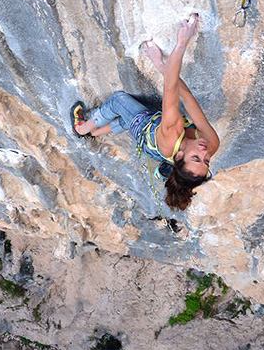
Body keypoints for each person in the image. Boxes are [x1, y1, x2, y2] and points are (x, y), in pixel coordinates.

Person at [71, 14, 220, 211]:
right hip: (160, 147)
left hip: (147, 130)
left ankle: (82, 129)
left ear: (180, 156)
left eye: (196, 158)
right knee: (127, 120)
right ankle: (96, 133)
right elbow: (188, 98)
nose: (204, 152)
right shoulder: (211, 144)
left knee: (119, 102)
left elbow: (171, 87)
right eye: (206, 161)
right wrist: (161, 64)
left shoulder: (172, 132)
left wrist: (181, 43)